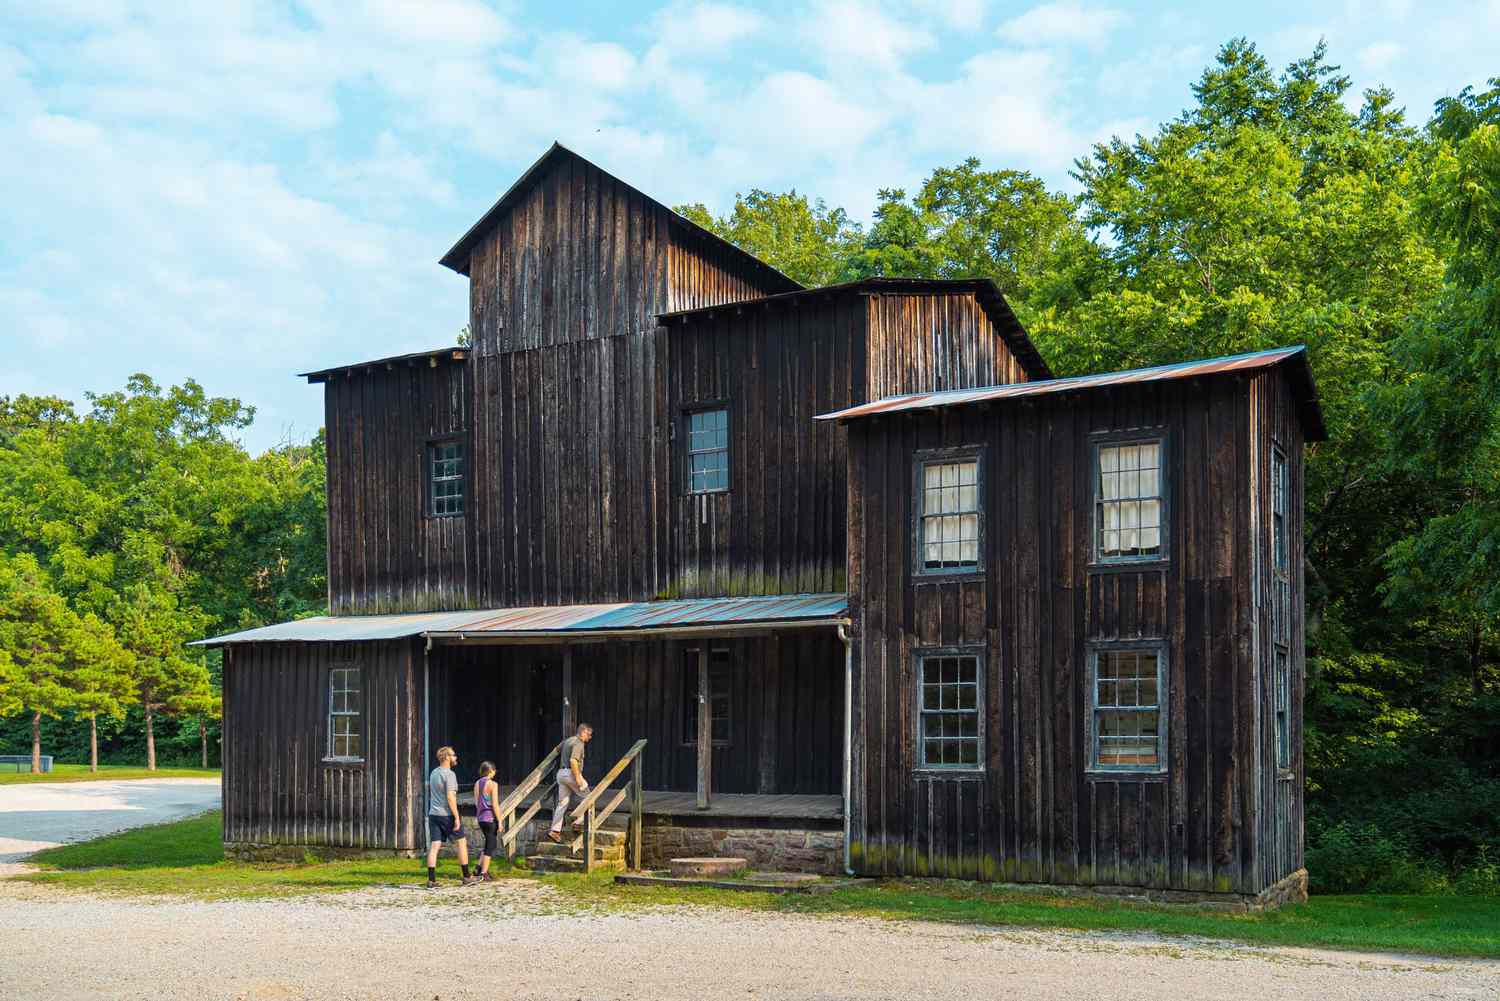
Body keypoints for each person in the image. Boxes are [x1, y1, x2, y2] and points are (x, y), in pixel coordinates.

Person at [425, 745, 477, 888]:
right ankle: (467, 876)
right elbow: (450, 797)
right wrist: (456, 817)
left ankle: (431, 880)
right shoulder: (450, 775)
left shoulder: (434, 772)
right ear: (447, 757)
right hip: (446, 814)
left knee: (434, 846)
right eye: (453, 755)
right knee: (461, 842)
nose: (455, 757)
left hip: (433, 814)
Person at [547, 723, 593, 843]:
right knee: (590, 798)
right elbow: (573, 760)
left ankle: (555, 831)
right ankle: (578, 822)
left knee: (562, 803)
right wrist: (578, 778)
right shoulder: (578, 743)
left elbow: (556, 750)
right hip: (571, 774)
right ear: (583, 732)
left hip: (561, 774)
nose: (590, 737)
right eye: (589, 734)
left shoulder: (568, 740)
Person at [473, 760, 501, 881]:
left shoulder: (477, 783)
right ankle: (484, 873)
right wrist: (499, 821)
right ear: (490, 771)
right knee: (491, 845)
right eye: (494, 770)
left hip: (480, 818)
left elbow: (476, 802)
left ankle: (478, 868)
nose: (495, 773)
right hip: (490, 818)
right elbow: (495, 804)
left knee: (487, 843)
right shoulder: (493, 784)